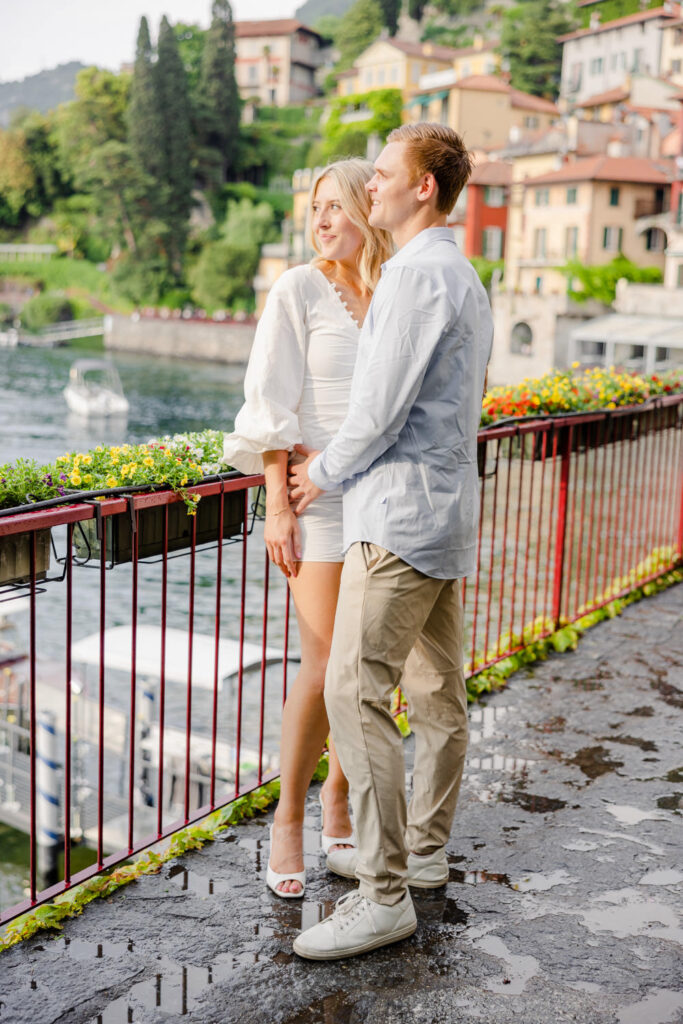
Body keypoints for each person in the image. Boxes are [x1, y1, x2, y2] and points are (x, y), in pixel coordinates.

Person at [288, 122, 493, 959]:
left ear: (423, 189)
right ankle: (427, 857)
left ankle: (383, 892)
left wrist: (317, 476)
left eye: (380, 177)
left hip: (398, 523)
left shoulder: (412, 277)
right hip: (443, 515)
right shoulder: (462, 274)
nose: (369, 188)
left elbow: (377, 411)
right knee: (439, 696)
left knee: (352, 689)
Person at [222, 159, 393, 898]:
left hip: (384, 498)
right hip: (314, 501)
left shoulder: (393, 291)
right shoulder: (296, 288)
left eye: (337, 206)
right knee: (325, 664)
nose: (321, 220)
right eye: (315, 207)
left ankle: (337, 800)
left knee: (369, 668)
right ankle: (288, 814)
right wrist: (277, 504)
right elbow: (269, 402)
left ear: (368, 209)